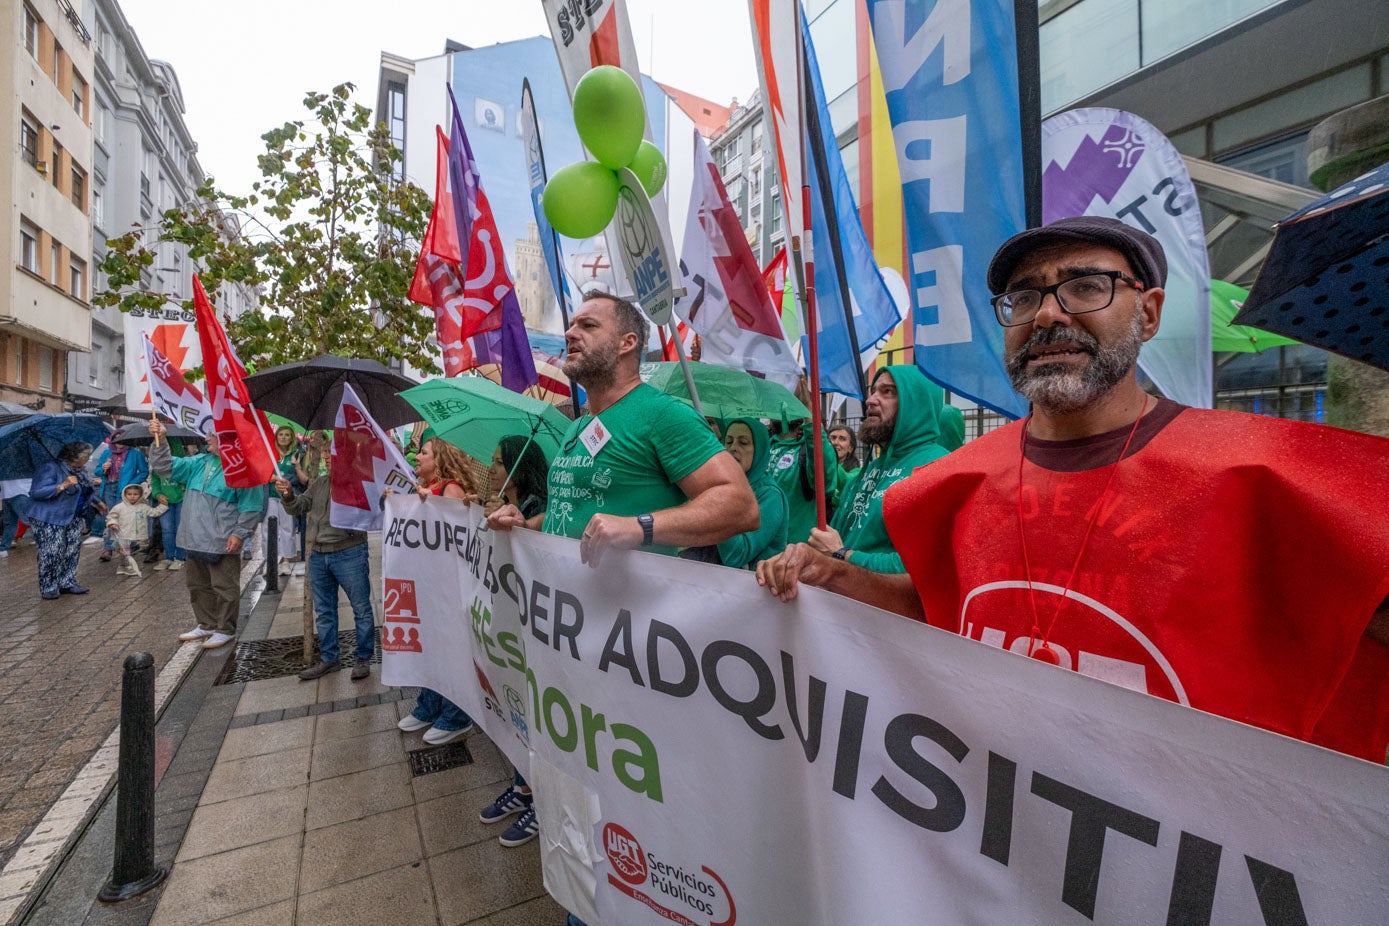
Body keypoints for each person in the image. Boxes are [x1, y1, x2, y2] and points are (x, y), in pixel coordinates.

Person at [756, 215, 1389, 762]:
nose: (1049, 313)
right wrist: (835, 576)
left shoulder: (1278, 480)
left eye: (1086, 286)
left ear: (1148, 311)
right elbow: (938, 613)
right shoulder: (947, 487)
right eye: (1024, 297)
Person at [489, 292, 756, 866]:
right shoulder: (578, 425)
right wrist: (526, 522)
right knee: (581, 789)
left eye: (588, 324)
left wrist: (644, 525)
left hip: (634, 653)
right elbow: (576, 513)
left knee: (634, 802)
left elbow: (738, 504)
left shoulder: (661, 414)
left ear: (628, 343)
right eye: (571, 325)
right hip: (571, 646)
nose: (571, 334)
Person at [804, 366, 955, 574]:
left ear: (915, 404)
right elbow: (832, 538)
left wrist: (843, 555)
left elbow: (918, 569)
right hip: (841, 601)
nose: (871, 400)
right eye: (873, 391)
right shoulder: (869, 470)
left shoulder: (938, 467)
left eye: (888, 392)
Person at [477, 434, 552, 845]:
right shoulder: (512, 505)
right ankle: (523, 788)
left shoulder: (538, 510)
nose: (494, 469)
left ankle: (540, 802)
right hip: (512, 629)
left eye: (499, 462)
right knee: (517, 710)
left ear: (519, 468)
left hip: (532, 631)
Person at [148, 420, 266, 650]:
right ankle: (207, 623)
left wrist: (240, 534)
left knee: (224, 587)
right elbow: (165, 467)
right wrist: (160, 440)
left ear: (228, 440)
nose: (206, 439)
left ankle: (225, 629)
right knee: (197, 585)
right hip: (193, 538)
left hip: (221, 541)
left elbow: (251, 506)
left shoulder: (243, 468)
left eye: (212, 435)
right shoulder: (199, 462)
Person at [396, 438, 482, 744]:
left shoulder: (451, 490)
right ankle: (430, 705)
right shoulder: (426, 489)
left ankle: (457, 715)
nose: (417, 457)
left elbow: (458, 539)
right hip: (428, 584)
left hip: (449, 588)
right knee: (430, 647)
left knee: (450, 650)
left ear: (440, 459)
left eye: (424, 452)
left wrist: (428, 505)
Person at [274, 444, 375, 682]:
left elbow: (370, 514)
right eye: (327, 454)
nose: (329, 458)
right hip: (319, 555)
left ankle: (363, 657)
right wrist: (288, 494)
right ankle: (330, 658)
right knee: (324, 611)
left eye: (334, 453)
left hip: (349, 553)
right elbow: (299, 506)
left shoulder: (358, 483)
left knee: (360, 608)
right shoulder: (319, 483)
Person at [709, 418, 787, 569]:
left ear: (759, 450)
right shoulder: (727, 486)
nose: (733, 448)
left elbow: (737, 554)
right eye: (729, 442)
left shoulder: (770, 495)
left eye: (743, 442)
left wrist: (717, 506)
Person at [28, 442, 100, 599]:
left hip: (73, 516)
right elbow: (36, 492)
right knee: (52, 552)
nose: (89, 458)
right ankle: (49, 586)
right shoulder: (50, 468)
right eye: (87, 455)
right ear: (77, 457)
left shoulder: (79, 471)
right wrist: (62, 485)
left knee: (72, 550)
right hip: (49, 517)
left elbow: (84, 490)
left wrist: (97, 502)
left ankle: (67, 582)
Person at [766, 415, 838, 545]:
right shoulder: (762, 447)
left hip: (794, 551)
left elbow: (825, 481)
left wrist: (810, 421)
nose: (783, 405)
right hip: (758, 548)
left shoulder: (811, 449)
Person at [104, 483, 167, 577]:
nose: (132, 497)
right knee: (125, 551)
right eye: (129, 494)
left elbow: (154, 512)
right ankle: (127, 566)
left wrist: (163, 506)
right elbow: (111, 516)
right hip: (122, 533)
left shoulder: (143, 507)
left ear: (140, 495)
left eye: (135, 494)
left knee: (126, 551)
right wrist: (112, 523)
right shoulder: (119, 507)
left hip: (135, 532)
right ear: (124, 495)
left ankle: (124, 566)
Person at [266, 425, 303, 576]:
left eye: (287, 435)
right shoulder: (271, 453)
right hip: (270, 495)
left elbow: (296, 477)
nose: (283, 437)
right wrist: (272, 478)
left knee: (287, 528)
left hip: (287, 496)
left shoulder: (296, 454)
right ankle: (270, 561)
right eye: (280, 434)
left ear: (291, 438)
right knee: (268, 529)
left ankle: (286, 560)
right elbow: (264, 473)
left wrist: (283, 479)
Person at [149, 440, 188, 571]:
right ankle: (169, 557)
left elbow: (187, 480)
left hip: (181, 501)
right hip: (165, 503)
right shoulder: (157, 467)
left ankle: (180, 557)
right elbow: (154, 483)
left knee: (179, 529)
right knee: (166, 530)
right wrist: (158, 494)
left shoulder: (182, 465)